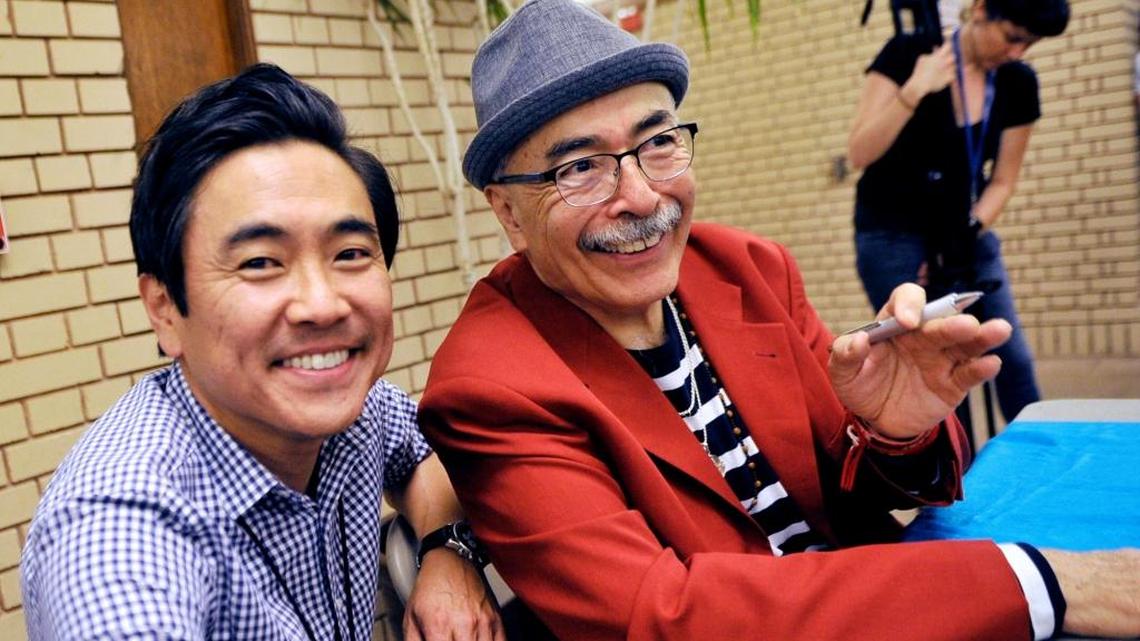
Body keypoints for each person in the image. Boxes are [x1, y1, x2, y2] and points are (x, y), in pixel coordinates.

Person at [418, 0, 1140, 640]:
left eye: (658, 142)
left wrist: (895, 431)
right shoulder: (490, 383)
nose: (640, 196)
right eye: (579, 168)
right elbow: (658, 614)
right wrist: (1038, 584)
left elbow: (862, 493)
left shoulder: (747, 268)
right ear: (509, 213)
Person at [21, 64, 502, 641]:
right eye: (259, 263)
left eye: (349, 253)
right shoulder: (120, 537)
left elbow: (428, 456)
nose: (322, 306)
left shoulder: (353, 410)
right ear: (164, 309)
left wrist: (446, 552)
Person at [848, 0, 1068, 422]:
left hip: (963, 230)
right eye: (1013, 38)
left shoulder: (1017, 83)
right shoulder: (909, 54)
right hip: (890, 234)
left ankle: (1045, 464)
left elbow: (1003, 180)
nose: (1018, 53)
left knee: (1013, 359)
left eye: (1030, 43)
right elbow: (860, 151)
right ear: (982, 10)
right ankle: (953, 476)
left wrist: (964, 234)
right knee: (939, 367)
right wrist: (916, 88)